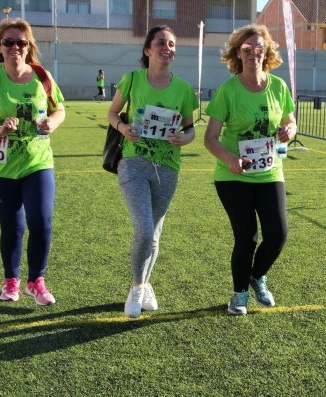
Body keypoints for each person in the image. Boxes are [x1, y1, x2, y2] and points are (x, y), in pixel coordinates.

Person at [204, 24, 296, 316]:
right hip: (234, 175)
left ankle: (257, 276)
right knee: (247, 236)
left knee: (278, 234)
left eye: (259, 48)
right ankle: (239, 294)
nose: (254, 53)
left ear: (267, 52)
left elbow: (290, 121)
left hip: (269, 171)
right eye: (247, 48)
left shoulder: (278, 86)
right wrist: (230, 159)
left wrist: (289, 131)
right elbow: (210, 138)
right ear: (237, 53)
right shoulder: (228, 91)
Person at [0, 18, 65, 305]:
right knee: (13, 227)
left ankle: (36, 280)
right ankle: (11, 280)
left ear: (29, 47)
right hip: (0, 166)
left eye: (21, 42)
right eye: (9, 42)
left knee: (41, 221)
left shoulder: (42, 76)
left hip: (37, 161)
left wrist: (51, 122)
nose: (16, 47)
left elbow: (60, 109)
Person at [107, 25, 198, 318]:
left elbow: (190, 128)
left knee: (155, 234)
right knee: (145, 229)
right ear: (148, 50)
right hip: (133, 162)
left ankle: (145, 283)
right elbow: (112, 113)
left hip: (168, 167)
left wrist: (184, 138)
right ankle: (136, 287)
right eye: (161, 43)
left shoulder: (183, 89)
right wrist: (123, 127)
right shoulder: (132, 80)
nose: (167, 48)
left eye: (172, 44)